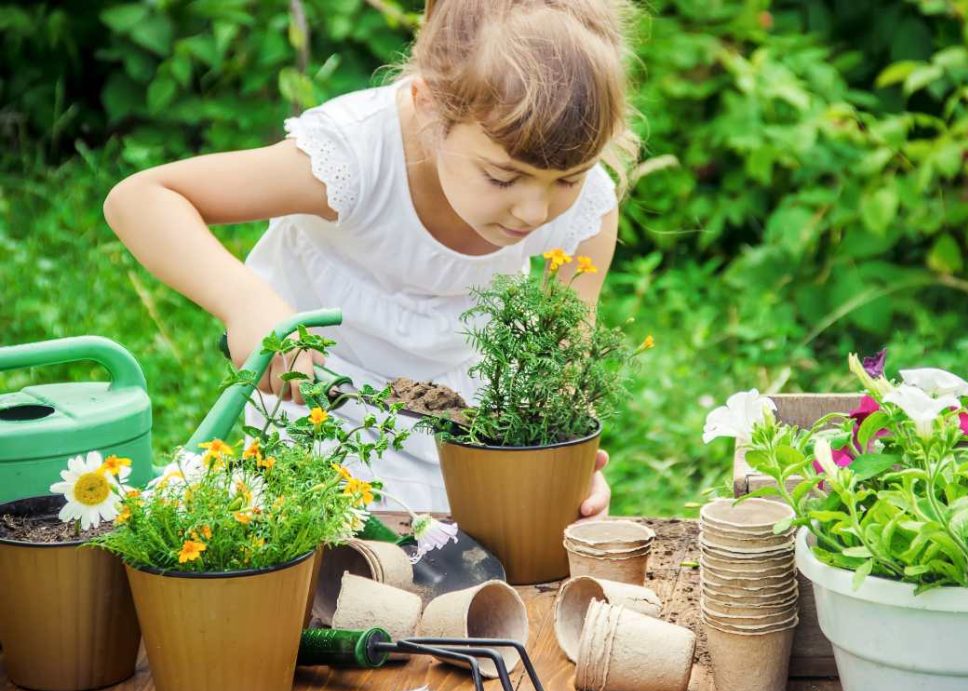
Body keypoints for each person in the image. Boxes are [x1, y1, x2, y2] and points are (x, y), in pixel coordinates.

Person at [103, 0, 641, 518]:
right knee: (342, 560)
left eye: (567, 178)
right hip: (319, 400)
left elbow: (564, 357)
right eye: (503, 177)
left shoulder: (585, 213)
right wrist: (248, 305)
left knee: (484, 558)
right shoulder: (359, 157)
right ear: (428, 104)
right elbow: (143, 199)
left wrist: (566, 459)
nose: (534, 209)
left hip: (466, 418)